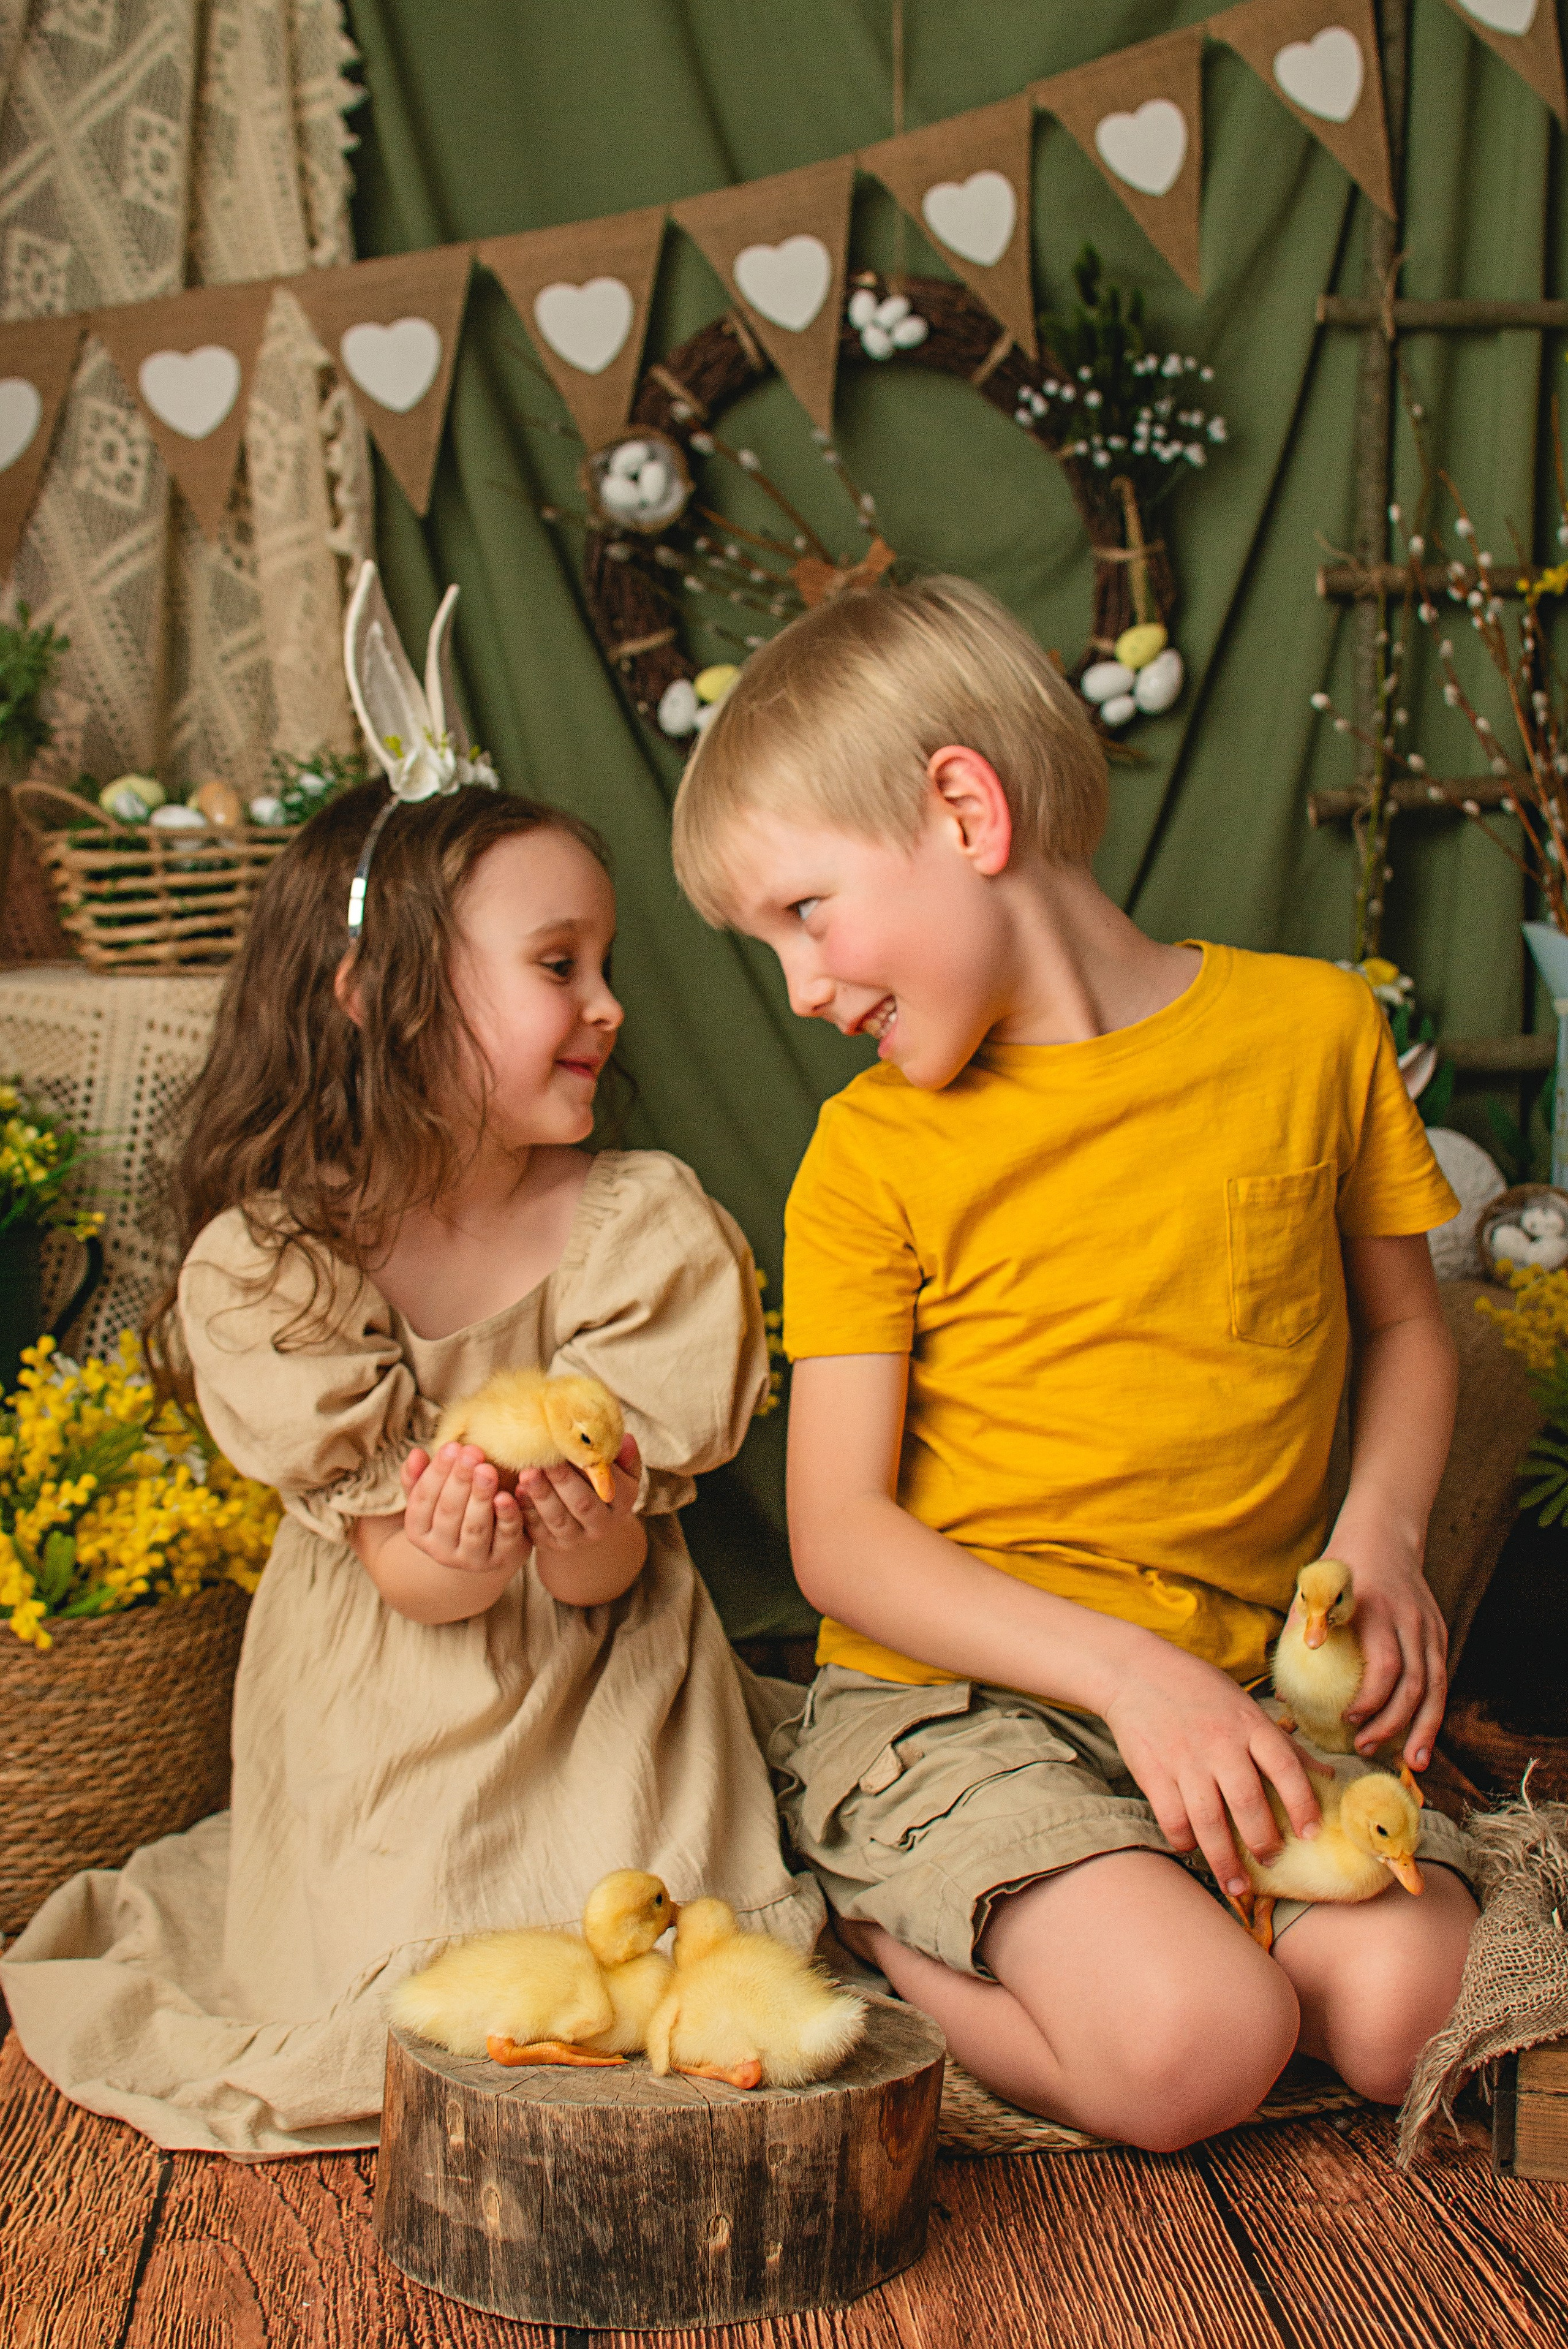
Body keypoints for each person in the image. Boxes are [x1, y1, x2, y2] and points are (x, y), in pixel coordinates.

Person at [1, 577, 820, 2157]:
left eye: (604, 963)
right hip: (393, 1685)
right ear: (379, 996)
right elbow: (414, 1583)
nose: (609, 1007)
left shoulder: (639, 1225)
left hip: (600, 1681)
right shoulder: (278, 1264)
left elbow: (603, 1575)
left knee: (641, 1934)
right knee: (420, 1971)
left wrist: (577, 1518)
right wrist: (450, 1538)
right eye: (559, 964)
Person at [669, 572, 1476, 2154]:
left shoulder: (1315, 1033)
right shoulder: (866, 1157)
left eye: (804, 913)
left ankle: (1141, 1917)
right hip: (964, 1706)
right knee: (1197, 2050)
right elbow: (839, 1538)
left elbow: (1405, 1331)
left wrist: (1381, 1538)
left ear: (965, 812)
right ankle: (884, 1929)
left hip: (1239, 1688)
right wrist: (1128, 1678)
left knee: (1412, 2009)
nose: (803, 989)